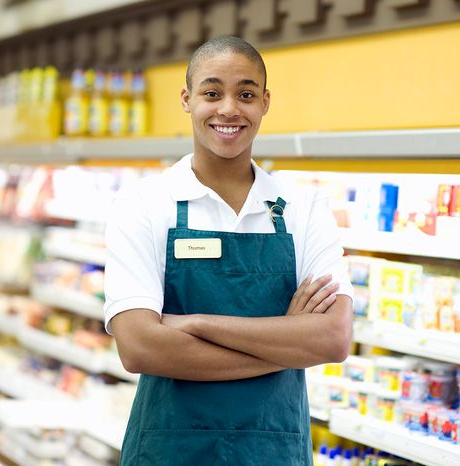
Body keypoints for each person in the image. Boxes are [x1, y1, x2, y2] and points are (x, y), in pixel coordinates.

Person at [104, 36, 354, 466]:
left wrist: (197, 323)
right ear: (187, 99)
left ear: (265, 102)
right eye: (211, 92)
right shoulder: (144, 204)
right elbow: (140, 348)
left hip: (273, 450)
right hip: (170, 452)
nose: (228, 109)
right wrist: (285, 341)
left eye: (245, 94)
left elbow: (331, 339)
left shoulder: (303, 207)